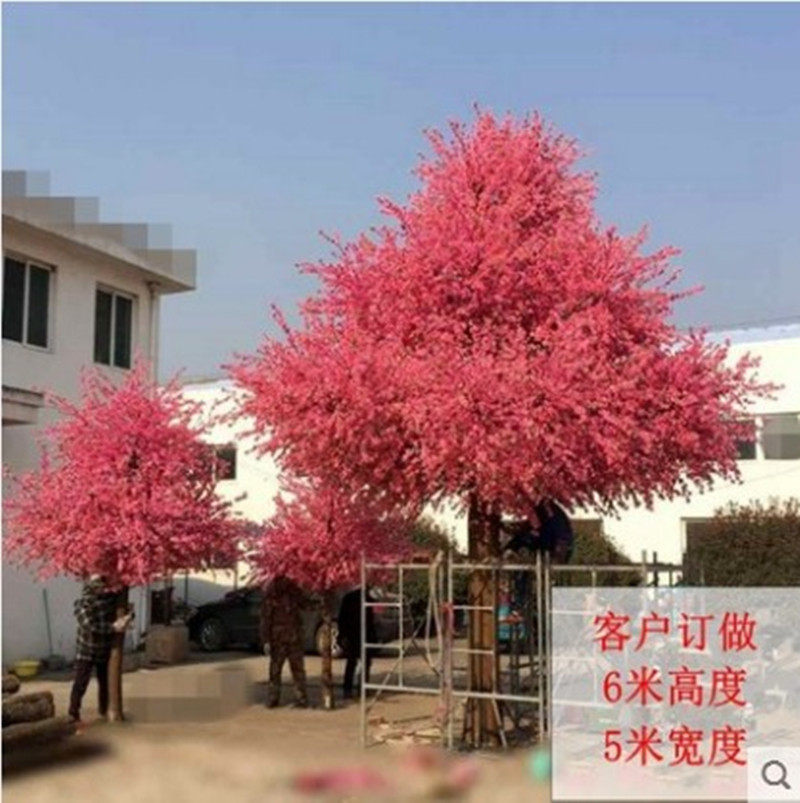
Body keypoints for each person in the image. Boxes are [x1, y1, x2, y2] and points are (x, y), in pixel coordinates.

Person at [68, 576, 133, 724]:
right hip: (86, 650)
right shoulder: (83, 605)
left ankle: (104, 711)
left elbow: (123, 611)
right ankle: (73, 713)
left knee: (104, 684)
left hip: (104, 649)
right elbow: (89, 626)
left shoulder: (111, 601)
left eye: (103, 587)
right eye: (98, 587)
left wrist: (129, 616)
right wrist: (113, 627)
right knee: (80, 683)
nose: (102, 590)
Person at [260, 575, 308, 708]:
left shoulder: (292, 592)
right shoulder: (273, 595)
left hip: (287, 637)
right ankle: (278, 698)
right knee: (280, 670)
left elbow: (265, 620)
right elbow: (266, 619)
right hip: (283, 638)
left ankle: (295, 698)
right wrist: (266, 640)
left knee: (287, 670)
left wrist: (266, 640)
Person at [338, 586, 376, 699]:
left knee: (354, 662)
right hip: (358, 634)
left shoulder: (351, 598)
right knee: (360, 662)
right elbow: (371, 620)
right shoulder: (363, 599)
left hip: (356, 634)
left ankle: (351, 689)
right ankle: (360, 689)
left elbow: (341, 619)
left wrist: (342, 634)